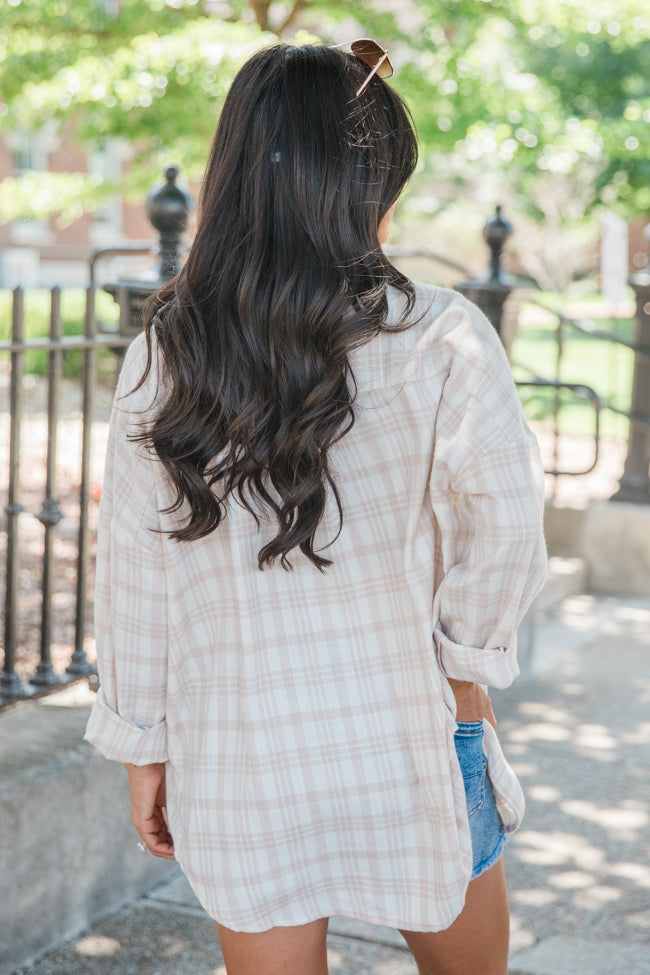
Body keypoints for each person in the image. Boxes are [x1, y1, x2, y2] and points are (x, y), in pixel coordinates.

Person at [84, 40, 547, 975]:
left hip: (240, 745)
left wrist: (144, 745)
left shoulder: (164, 354)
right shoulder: (442, 335)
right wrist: (465, 666)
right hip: (414, 726)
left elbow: (134, 575)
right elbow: (506, 521)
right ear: (361, 190)